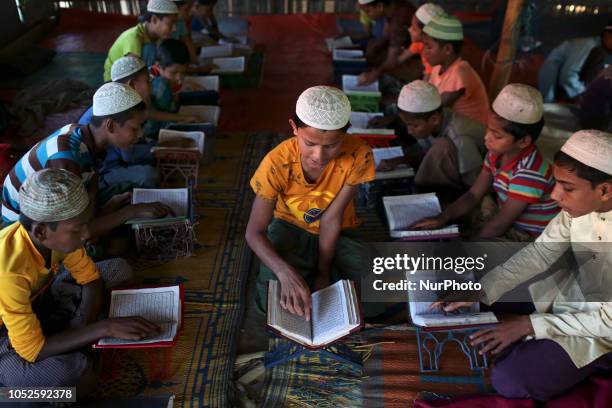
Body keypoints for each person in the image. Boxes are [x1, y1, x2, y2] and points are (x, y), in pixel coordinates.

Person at [434, 130, 612, 401]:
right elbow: (540, 253)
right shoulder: (578, 211)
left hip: (603, 332)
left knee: (509, 380)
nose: (555, 195)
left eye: (568, 187)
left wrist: (529, 325)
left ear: (604, 191)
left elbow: (606, 322)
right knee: (473, 300)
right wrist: (482, 290)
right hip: (569, 299)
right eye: (557, 183)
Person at [0, 169, 160, 396]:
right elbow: (32, 350)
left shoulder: (56, 240)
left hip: (37, 304)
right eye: (77, 229)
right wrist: (105, 327)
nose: (86, 234)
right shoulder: (9, 270)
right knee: (77, 381)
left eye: (85, 224)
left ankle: (73, 338)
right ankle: (11, 396)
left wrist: (83, 325)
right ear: (41, 232)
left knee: (118, 269)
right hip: (6, 339)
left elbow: (91, 277)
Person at [245, 86, 377, 320]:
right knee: (271, 302)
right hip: (290, 228)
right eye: (309, 143)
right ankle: (318, 276)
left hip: (339, 231)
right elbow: (254, 232)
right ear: (294, 128)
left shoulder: (359, 154)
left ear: (346, 133)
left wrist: (323, 273)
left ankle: (327, 272)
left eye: (331, 146)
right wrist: (285, 273)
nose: (319, 156)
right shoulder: (276, 163)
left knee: (381, 288)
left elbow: (331, 218)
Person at [2, 82, 173, 238]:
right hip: (23, 232)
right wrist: (130, 212)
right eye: (135, 128)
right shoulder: (66, 158)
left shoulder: (85, 137)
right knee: (117, 249)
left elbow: (88, 194)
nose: (141, 134)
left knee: (127, 198)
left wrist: (109, 207)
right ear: (110, 126)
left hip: (58, 212)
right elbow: (75, 233)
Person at [412, 84, 559, 240]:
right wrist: (444, 217)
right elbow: (474, 194)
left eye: (497, 136)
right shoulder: (495, 154)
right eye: (488, 129)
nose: (486, 138)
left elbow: (500, 224)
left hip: (529, 237)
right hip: (507, 220)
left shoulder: (529, 174)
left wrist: (468, 246)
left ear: (523, 141)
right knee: (454, 217)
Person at [380, 80, 483, 194]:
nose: (409, 131)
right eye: (407, 125)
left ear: (434, 119)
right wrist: (400, 160)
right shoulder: (434, 120)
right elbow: (428, 154)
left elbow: (474, 184)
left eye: (414, 126)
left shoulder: (459, 138)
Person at [422, 14, 490, 125]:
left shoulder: (460, 72)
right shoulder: (437, 68)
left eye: (429, 46)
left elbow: (433, 109)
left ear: (447, 49)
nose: (424, 51)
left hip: (472, 135)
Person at [103, 0, 178, 81]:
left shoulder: (156, 38)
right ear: (154, 19)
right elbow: (131, 74)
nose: (174, 29)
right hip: (115, 82)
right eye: (170, 23)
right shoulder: (133, 37)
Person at [538, 21, 612, 103]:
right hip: (552, 81)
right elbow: (568, 75)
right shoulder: (587, 46)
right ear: (607, 35)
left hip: (567, 86)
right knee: (548, 108)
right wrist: (583, 94)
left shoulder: (601, 51)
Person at [145, 38, 201, 137]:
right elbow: (151, 113)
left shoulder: (162, 74)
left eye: (182, 72)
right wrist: (184, 118)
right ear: (158, 65)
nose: (179, 77)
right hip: (152, 132)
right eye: (174, 72)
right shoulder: (159, 84)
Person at [357, 0, 415, 88]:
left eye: (368, 11)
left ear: (380, 7)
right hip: (407, 52)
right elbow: (385, 36)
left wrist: (375, 73)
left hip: (416, 59)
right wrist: (374, 47)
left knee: (382, 70)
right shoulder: (392, 8)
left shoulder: (399, 17)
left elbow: (392, 60)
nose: (367, 16)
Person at [397, 3, 445, 79]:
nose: (409, 30)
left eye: (414, 28)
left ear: (427, 33)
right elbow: (401, 58)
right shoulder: (418, 44)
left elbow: (429, 77)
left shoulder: (434, 53)